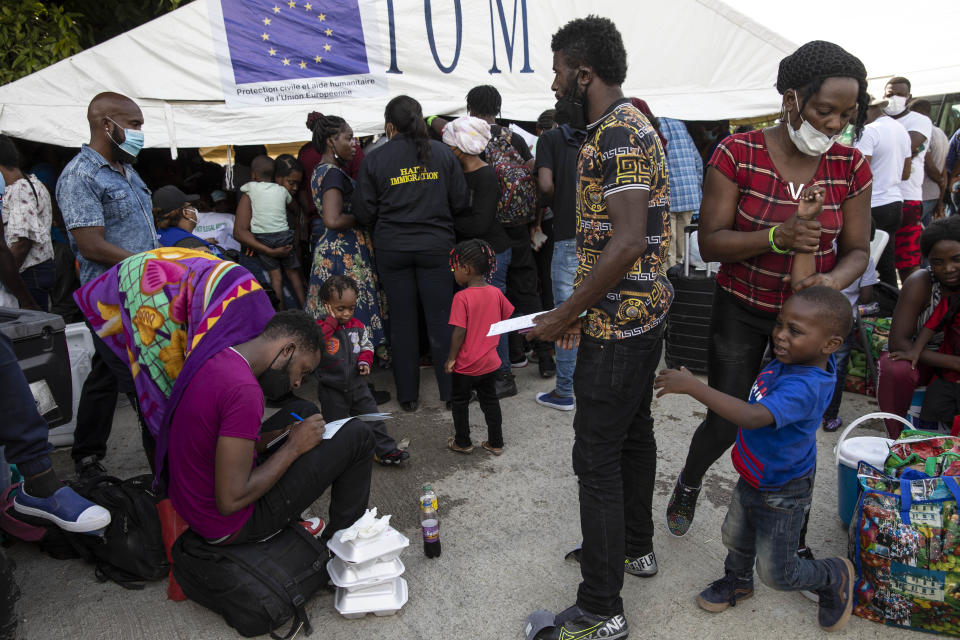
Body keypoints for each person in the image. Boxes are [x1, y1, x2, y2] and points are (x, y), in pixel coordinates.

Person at [664, 40, 873, 539]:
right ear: (791, 99)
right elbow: (711, 243)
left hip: (809, 323)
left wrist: (832, 282)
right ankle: (690, 481)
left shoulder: (851, 166)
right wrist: (777, 236)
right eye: (824, 110)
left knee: (793, 426)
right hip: (742, 309)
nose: (833, 124)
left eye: (846, 114)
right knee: (726, 416)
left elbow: (858, 251)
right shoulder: (738, 152)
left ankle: (788, 528)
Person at [526, 16, 673, 639]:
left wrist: (567, 312)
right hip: (639, 316)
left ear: (582, 72)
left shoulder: (618, 135)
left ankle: (600, 607)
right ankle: (633, 547)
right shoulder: (619, 128)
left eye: (558, 68)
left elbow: (629, 240)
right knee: (631, 434)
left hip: (620, 326)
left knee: (597, 457)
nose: (554, 79)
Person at [653, 286, 856, 632]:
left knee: (778, 572)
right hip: (754, 474)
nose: (779, 335)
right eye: (780, 324)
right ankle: (738, 581)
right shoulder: (799, 358)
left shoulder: (805, 385)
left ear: (831, 345)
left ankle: (832, 574)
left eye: (795, 331)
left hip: (783, 489)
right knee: (736, 536)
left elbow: (750, 417)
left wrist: (694, 387)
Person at [56, 91, 158, 478]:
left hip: (142, 290)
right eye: (134, 125)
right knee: (141, 384)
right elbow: (91, 244)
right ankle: (164, 473)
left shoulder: (128, 171)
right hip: (111, 300)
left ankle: (86, 454)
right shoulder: (81, 176)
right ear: (106, 125)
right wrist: (151, 263)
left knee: (105, 373)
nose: (139, 134)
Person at [353, 95, 470, 412]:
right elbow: (460, 201)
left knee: (402, 323)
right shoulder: (443, 154)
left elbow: (363, 212)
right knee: (442, 320)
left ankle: (408, 396)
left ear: (389, 125)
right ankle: (450, 393)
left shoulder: (375, 159)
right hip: (436, 248)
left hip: (393, 249)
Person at [466, 85, 556, 379]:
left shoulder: (471, 139)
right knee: (528, 293)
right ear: (498, 108)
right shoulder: (514, 138)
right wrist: (535, 221)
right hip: (519, 226)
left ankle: (511, 357)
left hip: (489, 231)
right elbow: (534, 175)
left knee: (496, 296)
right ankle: (545, 359)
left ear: (470, 109)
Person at [441, 116, 516, 398]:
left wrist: (447, 222)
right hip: (478, 255)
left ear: (460, 148)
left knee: (493, 321)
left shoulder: (484, 175)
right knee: (479, 322)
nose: (446, 150)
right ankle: (487, 375)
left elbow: (480, 224)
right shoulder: (461, 174)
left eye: (449, 146)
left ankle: (503, 375)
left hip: (491, 254)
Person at [304, 113, 385, 352]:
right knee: (347, 310)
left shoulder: (323, 170)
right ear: (331, 141)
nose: (354, 144)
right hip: (343, 253)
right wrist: (365, 217)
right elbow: (332, 218)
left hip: (336, 249)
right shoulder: (333, 173)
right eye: (349, 138)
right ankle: (352, 368)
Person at [880, 217, 960, 435]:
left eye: (956, 259)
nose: (948, 268)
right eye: (938, 262)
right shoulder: (921, 282)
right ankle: (897, 437)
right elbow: (898, 343)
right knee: (895, 368)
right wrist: (954, 363)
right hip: (922, 358)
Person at [315, 275, 406, 466]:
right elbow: (315, 344)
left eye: (351, 308)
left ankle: (385, 451)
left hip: (357, 386)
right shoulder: (320, 327)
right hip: (332, 389)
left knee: (373, 418)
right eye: (341, 309)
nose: (347, 313)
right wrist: (332, 322)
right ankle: (338, 459)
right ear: (327, 305)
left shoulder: (357, 327)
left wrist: (364, 362)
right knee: (336, 426)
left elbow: (366, 347)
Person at [533, 106, 586, 411]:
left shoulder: (550, 139)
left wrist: (552, 202)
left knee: (566, 314)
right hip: (602, 241)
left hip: (567, 236)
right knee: (596, 312)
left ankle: (565, 391)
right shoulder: (599, 135)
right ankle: (591, 386)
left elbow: (545, 184)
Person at [444, 240, 514, 455]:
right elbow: (506, 316)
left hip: (466, 363)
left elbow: (459, 331)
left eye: (454, 268)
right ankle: (496, 442)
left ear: (466, 269)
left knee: (460, 402)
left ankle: (463, 442)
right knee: (490, 401)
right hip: (490, 361)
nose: (453, 273)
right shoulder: (495, 293)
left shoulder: (461, 297)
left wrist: (451, 358)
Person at [854, 96, 912, 288]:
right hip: (895, 202)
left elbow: (859, 173)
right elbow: (905, 173)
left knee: (862, 259)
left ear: (864, 109)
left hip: (873, 204)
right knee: (887, 262)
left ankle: (876, 303)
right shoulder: (900, 129)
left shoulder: (869, 131)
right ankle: (891, 304)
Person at [237, 155, 305, 310]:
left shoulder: (282, 196)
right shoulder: (251, 196)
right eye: (291, 182)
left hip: (281, 256)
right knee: (275, 303)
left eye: (298, 184)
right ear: (276, 177)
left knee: (290, 302)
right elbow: (240, 232)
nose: (294, 188)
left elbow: (297, 218)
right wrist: (270, 251)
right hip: (257, 259)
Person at [884, 76, 932, 283]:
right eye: (890, 94)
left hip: (908, 198)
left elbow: (910, 146)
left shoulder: (919, 120)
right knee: (878, 259)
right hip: (878, 199)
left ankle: (913, 306)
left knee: (907, 261)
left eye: (900, 94)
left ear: (909, 97)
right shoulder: (878, 119)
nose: (894, 98)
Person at [0, 136, 55, 310]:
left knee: (30, 329)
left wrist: (7, 278)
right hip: (38, 270)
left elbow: (22, 242)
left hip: (28, 274)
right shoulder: (34, 183)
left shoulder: (19, 190)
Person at [659, 117, 704, 266]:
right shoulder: (680, 125)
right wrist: (697, 189)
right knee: (683, 244)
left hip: (669, 195)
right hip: (689, 194)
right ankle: (680, 273)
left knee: (668, 244)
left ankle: (670, 278)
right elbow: (698, 161)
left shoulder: (657, 125)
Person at [909, 99, 949, 228]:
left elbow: (929, 165)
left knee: (911, 233)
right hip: (934, 194)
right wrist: (942, 188)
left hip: (922, 194)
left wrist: (940, 180)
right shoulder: (940, 133)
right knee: (924, 235)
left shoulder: (923, 134)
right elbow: (943, 166)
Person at [153, 185, 223, 255]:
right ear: (186, 213)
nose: (195, 209)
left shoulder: (156, 237)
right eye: (192, 206)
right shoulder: (193, 246)